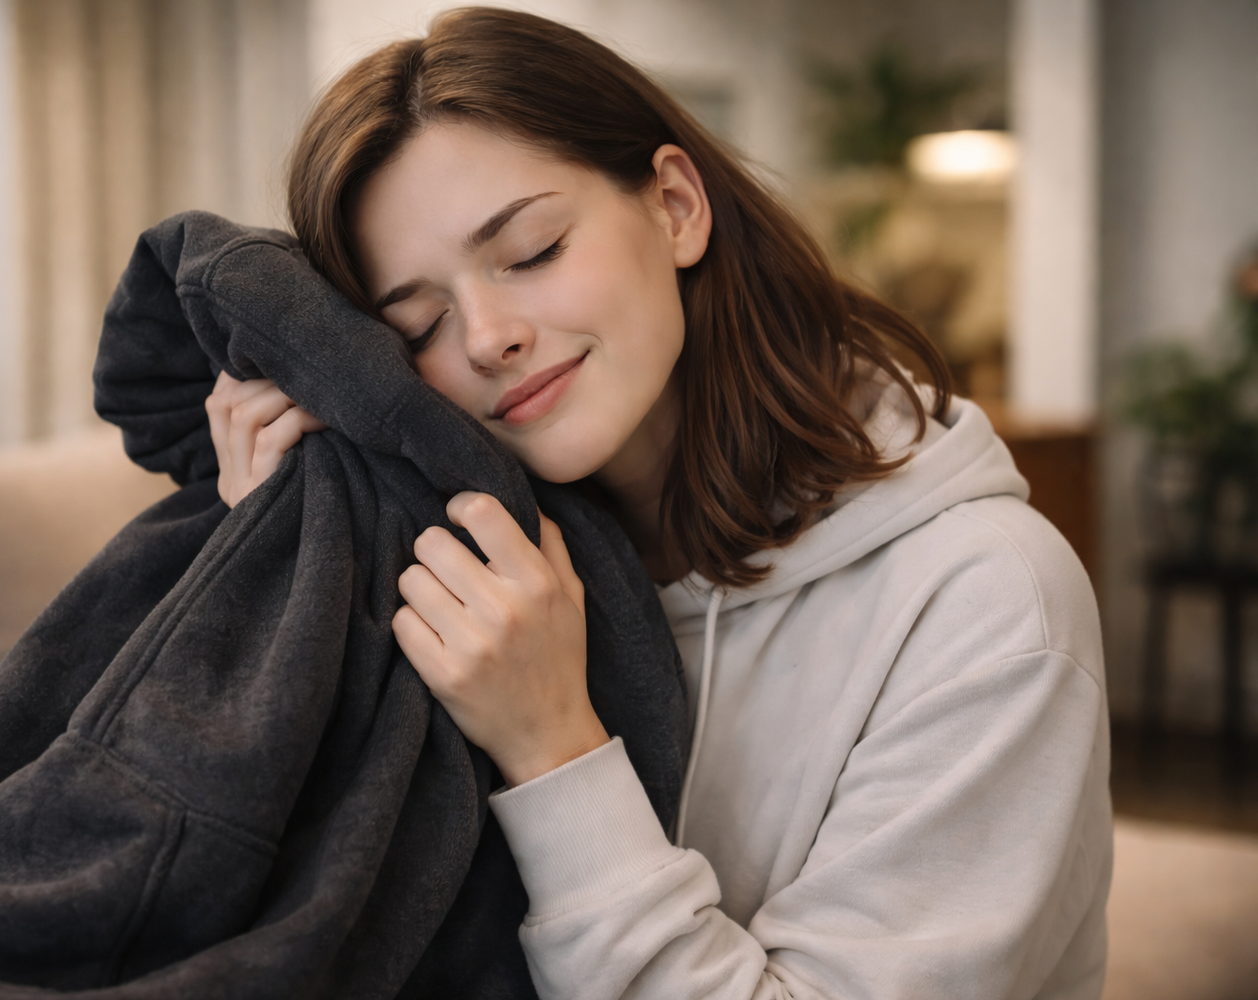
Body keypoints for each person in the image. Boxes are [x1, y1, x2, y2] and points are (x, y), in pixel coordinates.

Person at [203, 8, 1111, 999]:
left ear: (676, 207)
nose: (489, 337)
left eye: (534, 250)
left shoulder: (987, 604)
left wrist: (554, 746)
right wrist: (288, 563)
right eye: (420, 323)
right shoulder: (465, 567)